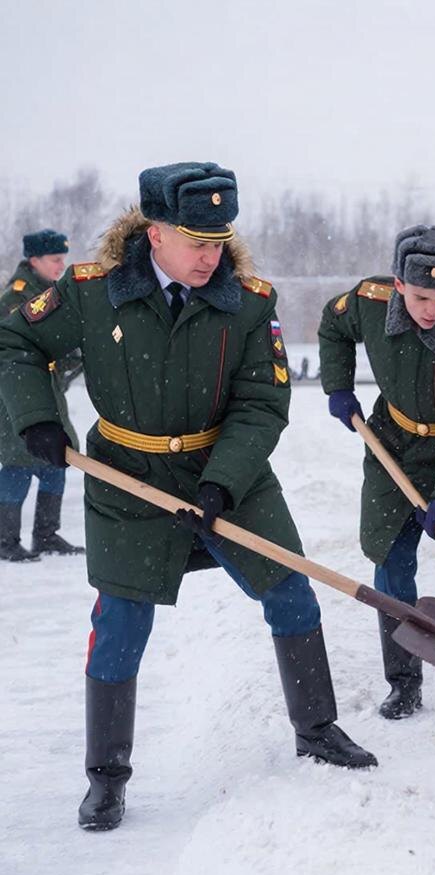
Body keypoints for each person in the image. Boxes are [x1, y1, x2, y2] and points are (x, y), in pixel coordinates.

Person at [0, 162, 376, 831]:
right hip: (128, 476)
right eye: (195, 241)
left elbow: (264, 402)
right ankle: (106, 779)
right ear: (155, 233)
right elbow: (16, 341)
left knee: (291, 591)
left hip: (225, 471)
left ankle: (317, 729)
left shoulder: (251, 302)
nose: (210, 256)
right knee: (120, 623)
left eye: (218, 240)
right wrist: (38, 419)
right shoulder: (92, 294)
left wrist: (222, 480)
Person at [319, 225, 435, 720]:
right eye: (421, 296)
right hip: (395, 442)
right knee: (390, 557)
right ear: (400, 285)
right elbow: (333, 325)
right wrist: (338, 386)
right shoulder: (370, 300)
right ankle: (403, 681)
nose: (431, 309)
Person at [0, 229, 84, 559]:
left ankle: (47, 535)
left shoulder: (50, 292)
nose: (61, 266)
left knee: (55, 462)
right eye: (55, 260)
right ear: (34, 260)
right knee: (19, 464)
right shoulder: (15, 298)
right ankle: (5, 541)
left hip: (49, 393)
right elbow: (13, 350)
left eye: (63, 259)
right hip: (17, 398)